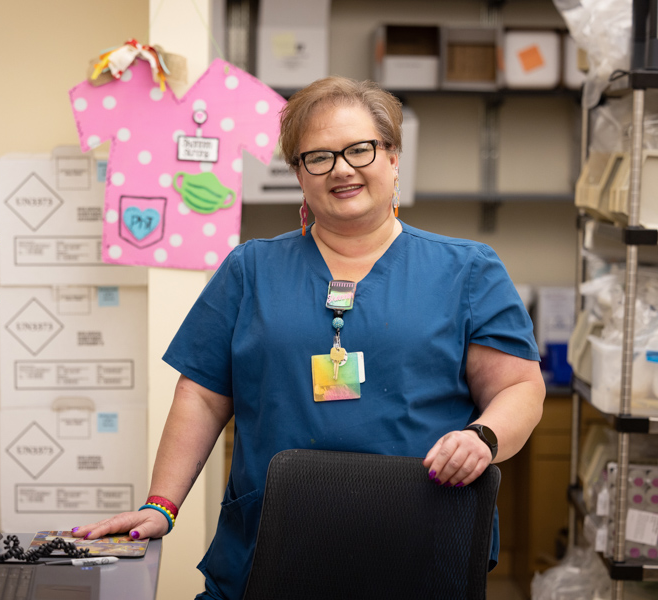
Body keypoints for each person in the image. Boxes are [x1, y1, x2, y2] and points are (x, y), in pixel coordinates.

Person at [72, 76, 546, 599]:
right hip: (271, 553)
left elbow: (519, 389)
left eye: (359, 149)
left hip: (418, 550)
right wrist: (161, 504)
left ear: (392, 157)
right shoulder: (251, 268)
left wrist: (483, 437)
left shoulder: (468, 271)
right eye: (316, 157)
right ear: (300, 175)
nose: (341, 168)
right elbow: (202, 396)